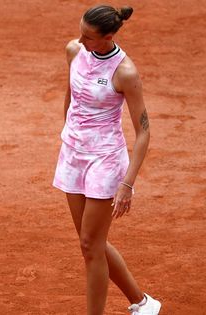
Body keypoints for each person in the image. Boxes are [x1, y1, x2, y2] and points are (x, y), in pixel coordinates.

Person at [52, 4, 161, 315]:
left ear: (108, 37)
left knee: (90, 245)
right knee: (91, 244)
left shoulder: (125, 72)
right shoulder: (74, 50)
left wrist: (127, 183)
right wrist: (69, 137)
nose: (81, 40)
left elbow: (143, 132)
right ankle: (143, 303)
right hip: (73, 155)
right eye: (80, 33)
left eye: (89, 37)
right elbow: (70, 95)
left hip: (105, 161)